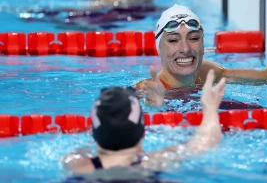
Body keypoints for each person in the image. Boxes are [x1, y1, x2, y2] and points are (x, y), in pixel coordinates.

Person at [135, 0, 267, 107]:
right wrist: (154, 108)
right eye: (173, 40)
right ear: (158, 48)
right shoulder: (146, 90)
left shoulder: (207, 73)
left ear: (203, 44)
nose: (185, 48)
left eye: (194, 38)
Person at [63, 69, 225, 174]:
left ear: (95, 133)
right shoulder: (153, 163)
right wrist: (210, 108)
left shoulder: (76, 165)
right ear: (143, 131)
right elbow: (204, 143)